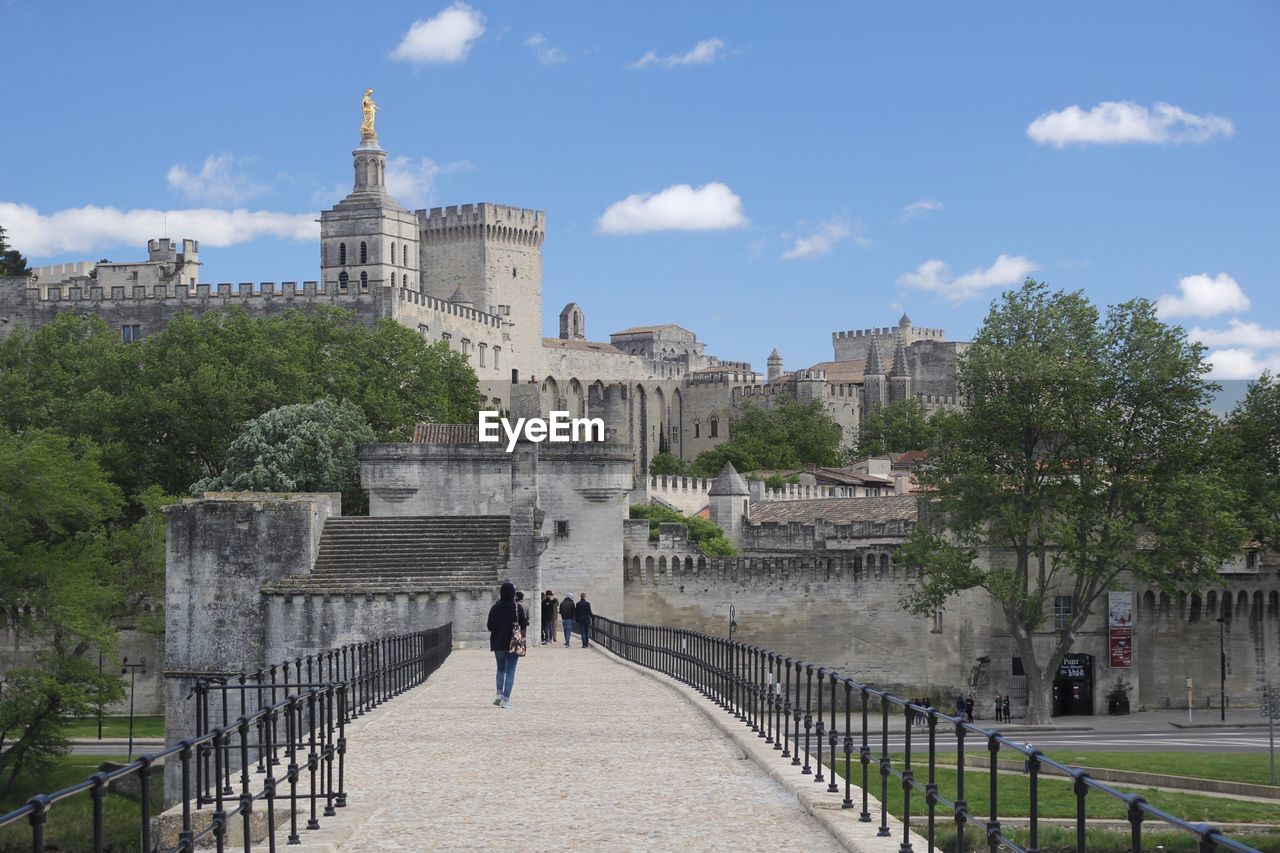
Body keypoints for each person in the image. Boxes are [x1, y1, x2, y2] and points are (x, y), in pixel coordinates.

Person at [487, 581, 527, 709]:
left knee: (500, 669)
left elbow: (489, 626)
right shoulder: (517, 607)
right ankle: (506, 699)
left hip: (498, 642)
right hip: (513, 643)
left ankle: (498, 693)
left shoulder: (495, 607)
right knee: (510, 670)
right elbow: (524, 624)